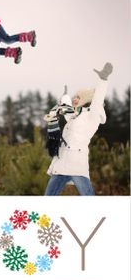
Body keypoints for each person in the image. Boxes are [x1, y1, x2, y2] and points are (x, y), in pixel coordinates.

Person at [44, 62, 113, 196]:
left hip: (76, 163)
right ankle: (43, 217)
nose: (75, 99)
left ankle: (98, 216)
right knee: (48, 198)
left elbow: (98, 100)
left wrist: (103, 80)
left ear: (86, 100)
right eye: (74, 97)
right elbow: (67, 109)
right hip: (62, 163)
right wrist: (64, 97)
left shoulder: (92, 115)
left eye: (78, 97)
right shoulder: (75, 115)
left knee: (88, 198)